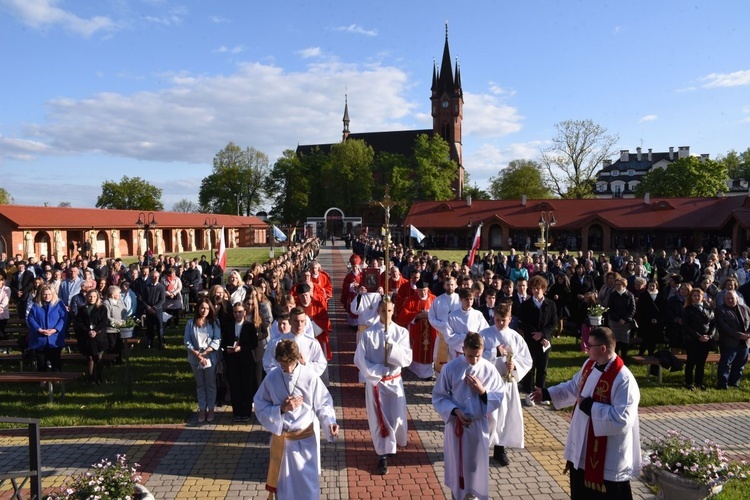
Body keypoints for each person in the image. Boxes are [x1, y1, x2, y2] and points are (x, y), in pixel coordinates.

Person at [530, 327, 641, 499]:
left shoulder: (623, 379)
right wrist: (547, 393)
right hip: (583, 447)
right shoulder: (590, 365)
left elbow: (623, 419)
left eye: (590, 345)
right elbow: (574, 386)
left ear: (603, 348)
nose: (585, 347)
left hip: (608, 458)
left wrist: (591, 407)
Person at [254, 339, 339, 499]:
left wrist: (330, 422)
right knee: (285, 489)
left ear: (297, 357)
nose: (287, 368)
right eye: (283, 365)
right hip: (283, 443)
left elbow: (323, 403)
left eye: (290, 363)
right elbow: (259, 405)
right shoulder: (272, 378)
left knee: (307, 488)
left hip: (305, 442)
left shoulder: (310, 377)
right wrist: (280, 409)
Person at [432, 332, 505, 500]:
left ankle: (473, 496)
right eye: (470, 356)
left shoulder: (488, 368)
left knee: (475, 466)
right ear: (463, 349)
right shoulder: (451, 368)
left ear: (483, 350)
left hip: (478, 426)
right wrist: (454, 410)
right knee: (457, 466)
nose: (474, 361)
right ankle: (456, 496)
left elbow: (500, 395)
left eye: (478, 356)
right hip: (456, 425)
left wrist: (482, 391)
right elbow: (439, 396)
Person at [353, 299, 413, 475]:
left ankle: (392, 445)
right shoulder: (368, 334)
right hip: (376, 383)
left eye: (389, 311)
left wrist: (392, 348)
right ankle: (382, 455)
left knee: (395, 418)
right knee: (379, 421)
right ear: (378, 311)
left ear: (393, 310)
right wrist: (378, 370)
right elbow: (359, 360)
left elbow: (407, 359)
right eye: (383, 311)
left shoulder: (401, 333)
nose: (386, 315)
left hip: (394, 383)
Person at [480, 301, 532, 466]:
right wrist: (494, 352)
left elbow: (527, 359)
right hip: (490, 384)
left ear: (510, 319)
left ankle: (499, 449)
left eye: (504, 320)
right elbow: (476, 356)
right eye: (497, 320)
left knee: (505, 417)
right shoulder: (485, 334)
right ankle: (480, 448)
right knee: (490, 417)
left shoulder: (515, 337)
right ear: (493, 318)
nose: (501, 323)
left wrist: (515, 365)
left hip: (508, 383)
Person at [184, 296, 221, 423]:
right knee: (200, 384)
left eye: (206, 308)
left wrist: (206, 352)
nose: (204, 311)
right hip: (196, 358)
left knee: (210, 384)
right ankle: (202, 408)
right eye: (202, 308)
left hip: (209, 356)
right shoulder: (191, 323)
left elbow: (217, 339)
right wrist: (198, 355)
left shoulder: (214, 322)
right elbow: (187, 341)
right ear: (198, 309)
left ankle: (211, 409)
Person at [518, 276, 557, 397]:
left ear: (544, 289)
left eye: (539, 288)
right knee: (530, 366)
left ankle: (540, 391)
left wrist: (542, 334)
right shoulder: (526, 305)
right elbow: (523, 322)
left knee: (542, 367)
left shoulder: (550, 304)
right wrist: (534, 333)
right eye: (534, 288)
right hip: (531, 340)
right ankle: (529, 390)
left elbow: (553, 323)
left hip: (544, 341)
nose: (536, 291)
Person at [263, 307, 327, 378]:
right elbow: (268, 363)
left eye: (302, 321)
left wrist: (305, 364)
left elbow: (321, 364)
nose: (299, 325)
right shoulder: (277, 342)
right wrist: (283, 371)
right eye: (296, 321)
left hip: (305, 381)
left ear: (305, 322)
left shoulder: (312, 343)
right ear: (290, 321)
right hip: (282, 381)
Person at [221, 301, 258, 422]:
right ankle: (237, 412)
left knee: (246, 387)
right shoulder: (228, 325)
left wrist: (241, 348)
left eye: (240, 312)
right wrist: (228, 349)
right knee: (235, 387)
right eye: (235, 312)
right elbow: (224, 342)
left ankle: (246, 412)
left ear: (245, 312)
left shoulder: (249, 326)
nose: (238, 314)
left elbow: (254, 343)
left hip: (246, 360)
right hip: (232, 361)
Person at [396, 279, 438, 380]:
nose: (423, 293)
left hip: (431, 330)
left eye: (424, 290)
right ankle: (417, 369)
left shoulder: (434, 299)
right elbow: (403, 315)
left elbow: (439, 312)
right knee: (418, 350)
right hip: (417, 330)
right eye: (420, 290)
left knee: (430, 349)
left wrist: (430, 315)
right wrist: (417, 315)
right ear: (417, 290)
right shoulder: (411, 300)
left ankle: (430, 371)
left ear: (427, 289)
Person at [27, 284, 68, 373]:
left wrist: (55, 329)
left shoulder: (59, 304)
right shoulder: (36, 305)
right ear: (41, 295)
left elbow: (63, 318)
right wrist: (39, 329)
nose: (47, 296)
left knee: (56, 360)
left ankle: (57, 379)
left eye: (49, 294)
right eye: (44, 294)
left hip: (55, 337)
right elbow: (30, 318)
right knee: (41, 361)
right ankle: (42, 380)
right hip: (40, 337)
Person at [682, 287, 716, 391]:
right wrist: (698, 336)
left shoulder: (708, 308)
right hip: (692, 340)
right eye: (694, 296)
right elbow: (686, 326)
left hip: (706, 340)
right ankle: (689, 382)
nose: (697, 297)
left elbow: (713, 324)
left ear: (703, 297)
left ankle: (699, 382)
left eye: (699, 295)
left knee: (701, 362)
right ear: (691, 297)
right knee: (691, 361)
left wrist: (709, 335)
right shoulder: (687, 309)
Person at [714, 290, 750, 389]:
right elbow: (724, 327)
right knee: (725, 364)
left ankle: (734, 383)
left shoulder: (745, 309)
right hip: (729, 343)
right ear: (724, 299)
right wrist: (739, 335)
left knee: (740, 365)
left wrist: (748, 333)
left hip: (745, 343)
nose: (730, 300)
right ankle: (722, 384)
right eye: (727, 298)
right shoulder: (720, 310)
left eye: (732, 298)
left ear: (737, 299)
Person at [74, 289, 109, 384]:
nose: (92, 298)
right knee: (89, 357)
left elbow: (104, 322)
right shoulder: (82, 309)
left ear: (97, 297)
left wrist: (95, 330)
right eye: (90, 296)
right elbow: (79, 322)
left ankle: (99, 378)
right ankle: (91, 378)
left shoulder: (102, 308)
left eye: (94, 296)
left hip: (99, 336)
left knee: (99, 357)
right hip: (87, 336)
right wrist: (88, 331)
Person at [428, 275, 460, 373]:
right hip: (442, 335)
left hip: (456, 336)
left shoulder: (460, 300)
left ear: (456, 286)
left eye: (452, 285)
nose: (450, 287)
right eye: (448, 285)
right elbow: (431, 317)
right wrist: (443, 326)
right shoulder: (438, 300)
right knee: (439, 358)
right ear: (444, 286)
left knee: (454, 360)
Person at [142, 270, 166, 349]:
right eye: (153, 276)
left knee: (159, 327)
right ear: (150, 277)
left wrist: (154, 307)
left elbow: (162, 299)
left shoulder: (161, 287)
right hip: (149, 310)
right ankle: (150, 342)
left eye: (157, 276)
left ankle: (161, 342)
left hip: (157, 310)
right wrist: (147, 307)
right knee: (150, 327)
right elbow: (143, 299)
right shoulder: (147, 287)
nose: (155, 278)